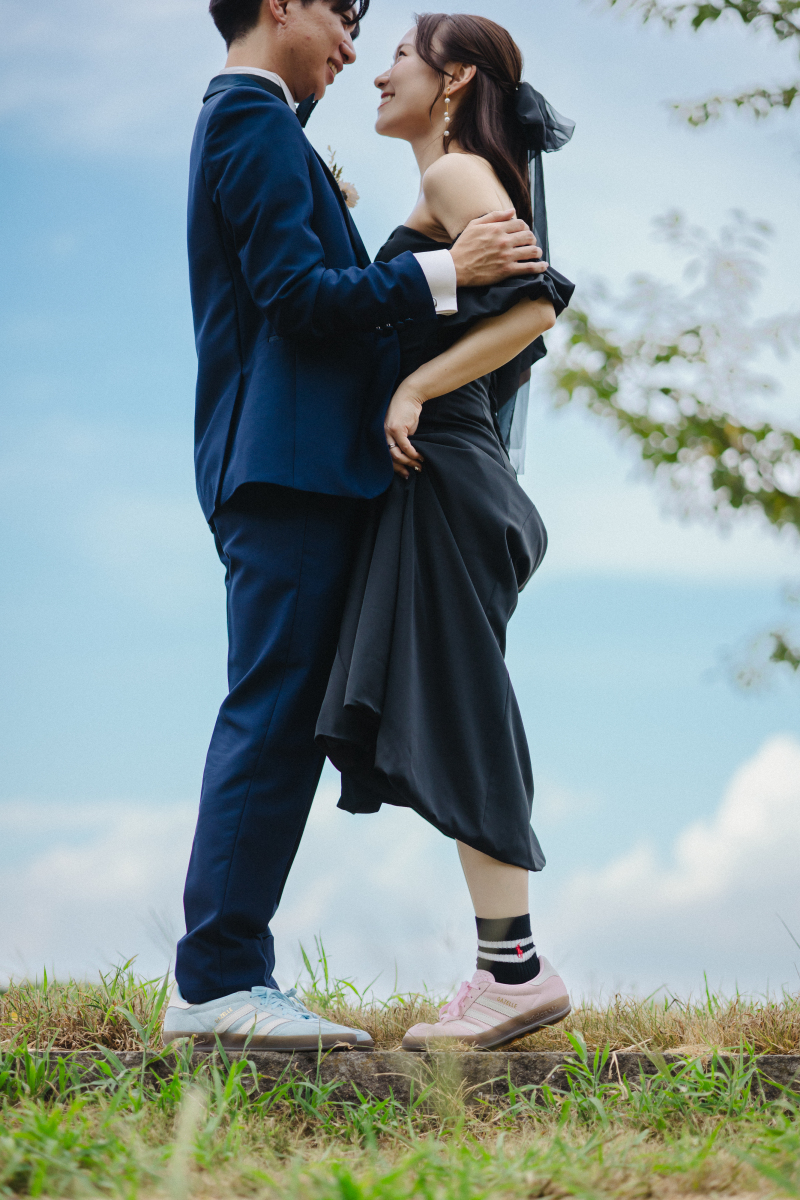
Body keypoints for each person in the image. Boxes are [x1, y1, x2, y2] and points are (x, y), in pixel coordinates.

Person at [162, 0, 552, 1052]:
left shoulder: (272, 131)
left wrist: (423, 371)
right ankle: (217, 977)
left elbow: (529, 302)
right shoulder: (248, 121)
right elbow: (295, 298)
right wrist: (440, 275)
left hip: (319, 476)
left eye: (374, 35)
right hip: (285, 475)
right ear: (279, 2)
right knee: (275, 708)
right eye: (342, 17)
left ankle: (247, 970)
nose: (349, 48)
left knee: (300, 713)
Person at [316, 13, 575, 1049]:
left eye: (398, 59)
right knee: (454, 699)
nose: (376, 75)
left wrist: (416, 386)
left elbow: (534, 307)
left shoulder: (458, 175)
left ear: (454, 76)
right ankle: (503, 964)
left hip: (450, 472)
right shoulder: (441, 186)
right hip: (453, 479)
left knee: (462, 702)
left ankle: (512, 970)